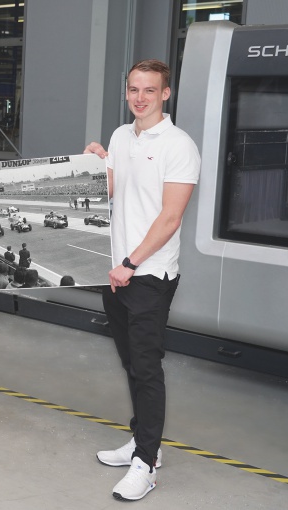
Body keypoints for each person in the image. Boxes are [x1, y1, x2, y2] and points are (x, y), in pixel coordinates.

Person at [84, 59, 199, 501]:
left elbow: (170, 217)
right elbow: (110, 190)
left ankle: (146, 464)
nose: (140, 97)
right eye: (134, 89)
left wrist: (130, 263)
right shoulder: (119, 135)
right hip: (115, 270)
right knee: (131, 363)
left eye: (149, 90)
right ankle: (141, 441)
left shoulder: (179, 145)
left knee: (148, 369)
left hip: (147, 273)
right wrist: (96, 166)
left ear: (165, 94)